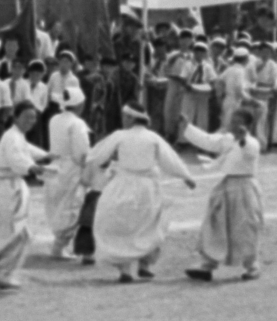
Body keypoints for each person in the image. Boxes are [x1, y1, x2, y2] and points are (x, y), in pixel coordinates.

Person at [86, 106, 196, 284]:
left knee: (122, 225)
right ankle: (145, 265)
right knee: (149, 225)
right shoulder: (153, 137)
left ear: (131, 118)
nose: (123, 120)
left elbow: (98, 155)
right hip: (147, 189)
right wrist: (186, 176)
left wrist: (89, 161)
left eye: (125, 117)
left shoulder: (120, 135)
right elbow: (170, 159)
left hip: (123, 186)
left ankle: (126, 269)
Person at [181, 107, 264, 282]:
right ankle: (208, 265)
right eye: (232, 121)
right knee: (215, 223)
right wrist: (188, 126)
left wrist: (243, 139)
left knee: (245, 227)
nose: (233, 125)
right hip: (226, 185)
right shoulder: (227, 139)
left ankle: (252, 265)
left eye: (238, 122)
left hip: (245, 187)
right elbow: (208, 141)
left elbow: (249, 151)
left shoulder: (252, 142)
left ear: (248, 125)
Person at [0, 102, 50, 290]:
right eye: (27, 117)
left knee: (17, 233)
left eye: (33, 117)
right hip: (6, 187)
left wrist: (46, 155)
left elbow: (26, 150)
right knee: (14, 233)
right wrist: (32, 167)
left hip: (12, 184)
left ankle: (1, 273)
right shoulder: (11, 136)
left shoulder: (17, 136)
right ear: (16, 117)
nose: (31, 121)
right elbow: (16, 158)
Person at [43, 91, 91, 258]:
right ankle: (59, 246)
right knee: (71, 206)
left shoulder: (54, 119)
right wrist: (87, 167)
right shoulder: (77, 123)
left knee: (57, 205)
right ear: (79, 105)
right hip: (70, 168)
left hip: (55, 165)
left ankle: (59, 244)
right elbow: (81, 152)